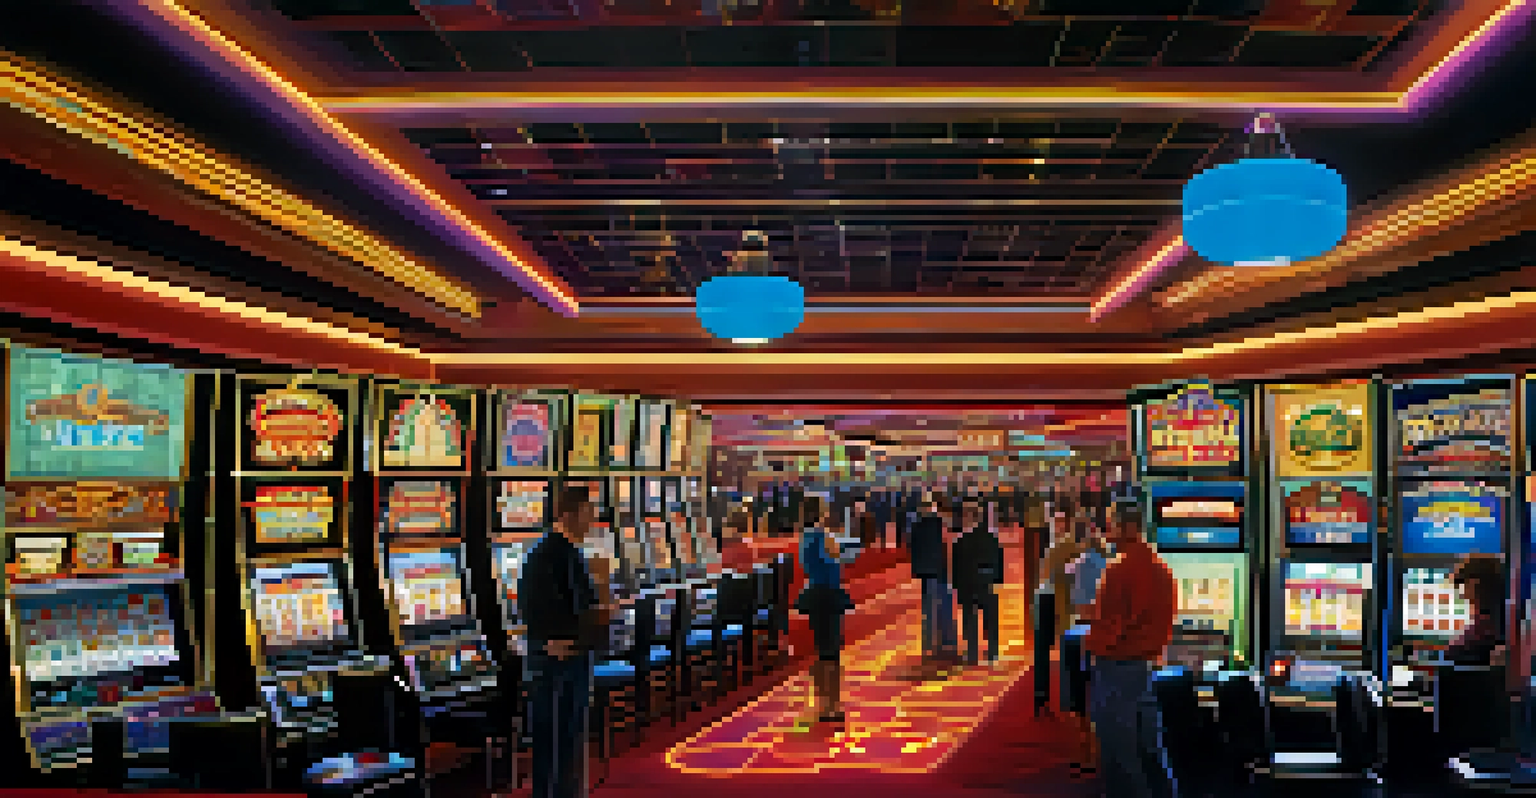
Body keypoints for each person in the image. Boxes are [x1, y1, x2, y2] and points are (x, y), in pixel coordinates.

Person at [519, 485, 614, 798]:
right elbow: (535, 609)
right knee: (556, 741)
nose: (592, 519)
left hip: (570, 653)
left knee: (568, 741)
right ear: (569, 514)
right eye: (588, 512)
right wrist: (551, 640)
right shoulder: (548, 553)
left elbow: (579, 605)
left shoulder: (566, 550)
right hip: (555, 659)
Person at [1084, 499, 1176, 798]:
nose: (1107, 530)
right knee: (1151, 750)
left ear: (1128, 527)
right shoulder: (1162, 569)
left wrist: (1090, 640)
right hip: (1147, 666)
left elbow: (1111, 629)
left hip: (1117, 668)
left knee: (1119, 754)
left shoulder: (1119, 570)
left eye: (1112, 523)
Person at [795, 495, 855, 723]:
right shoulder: (824, 536)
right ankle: (834, 703)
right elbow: (837, 561)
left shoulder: (805, 538)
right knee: (832, 652)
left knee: (821, 650)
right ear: (821, 513)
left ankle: (822, 703)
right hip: (829, 594)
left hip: (814, 593)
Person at [952, 497, 1005, 665]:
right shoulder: (990, 538)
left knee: (970, 618)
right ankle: (992, 651)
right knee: (990, 618)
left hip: (968, 585)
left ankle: (973, 652)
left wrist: (957, 587)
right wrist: (995, 579)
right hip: (985, 583)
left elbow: (956, 568)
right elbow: (998, 561)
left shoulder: (960, 541)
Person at [910, 494, 958, 662]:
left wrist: (916, 571)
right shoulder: (940, 523)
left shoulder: (916, 526)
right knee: (943, 605)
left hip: (926, 571)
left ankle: (929, 644)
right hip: (940, 569)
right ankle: (947, 641)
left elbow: (913, 551)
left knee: (929, 609)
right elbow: (948, 544)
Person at [1446, 553, 1507, 665]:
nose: (1462, 594)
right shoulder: (1503, 617)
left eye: (1462, 584)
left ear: (1474, 583)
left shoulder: (1482, 629)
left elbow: (1455, 652)